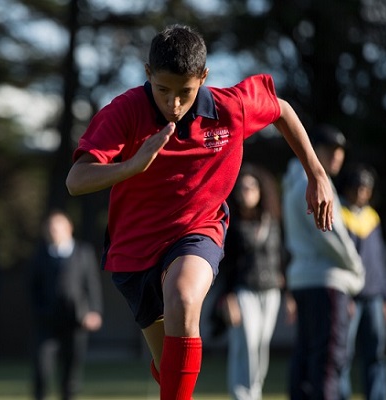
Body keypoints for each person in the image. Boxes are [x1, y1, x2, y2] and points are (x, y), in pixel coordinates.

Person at [66, 24, 335, 400]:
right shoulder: (124, 111)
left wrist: (316, 173)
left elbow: (282, 109)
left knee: (183, 297)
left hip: (197, 230)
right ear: (147, 74)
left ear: (203, 77)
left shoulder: (230, 109)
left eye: (185, 93)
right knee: (170, 370)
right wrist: (131, 166)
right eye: (163, 90)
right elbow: (76, 180)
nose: (174, 104)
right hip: (133, 252)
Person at [282, 123, 365, 400]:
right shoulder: (313, 183)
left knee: (306, 358)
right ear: (312, 149)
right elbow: (331, 237)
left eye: (340, 151)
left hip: (305, 281)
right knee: (328, 360)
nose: (337, 156)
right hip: (326, 282)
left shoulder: (293, 179)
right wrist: (357, 272)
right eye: (331, 150)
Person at [218, 164, 285, 400]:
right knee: (246, 344)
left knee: (260, 346)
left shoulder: (273, 222)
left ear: (261, 191)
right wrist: (227, 297)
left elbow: (281, 258)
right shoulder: (230, 226)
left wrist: (289, 295)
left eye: (251, 187)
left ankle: (254, 391)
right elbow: (225, 267)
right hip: (242, 291)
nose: (246, 191)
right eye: (242, 187)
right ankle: (243, 395)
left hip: (271, 292)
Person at [29, 210, 103, 400]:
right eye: (51, 227)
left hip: (76, 323)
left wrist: (94, 311)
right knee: (42, 369)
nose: (54, 231)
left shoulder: (82, 252)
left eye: (58, 227)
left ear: (69, 228)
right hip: (47, 323)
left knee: (71, 373)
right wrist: (39, 311)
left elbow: (92, 284)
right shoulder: (40, 254)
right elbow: (32, 288)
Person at [338, 165, 386, 400]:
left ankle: (378, 395)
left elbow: (379, 262)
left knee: (376, 353)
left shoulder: (373, 218)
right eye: (358, 187)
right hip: (351, 297)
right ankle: (341, 395)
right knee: (344, 354)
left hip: (374, 297)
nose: (362, 192)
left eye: (366, 188)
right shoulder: (341, 215)